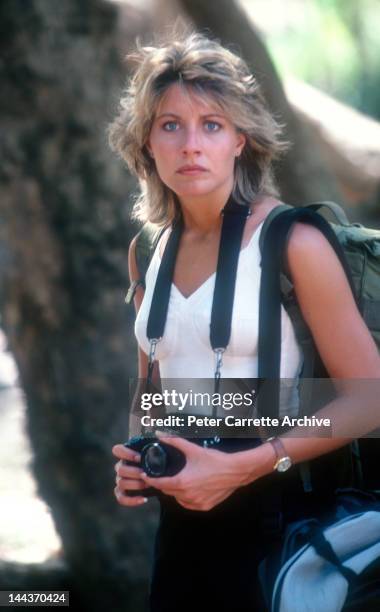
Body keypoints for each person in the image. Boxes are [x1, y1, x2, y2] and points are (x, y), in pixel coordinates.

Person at [109, 31, 380, 612]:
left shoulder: (293, 242)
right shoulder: (146, 250)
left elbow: (370, 398)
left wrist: (247, 465)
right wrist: (139, 458)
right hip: (180, 535)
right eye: (170, 125)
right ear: (146, 143)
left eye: (212, 124)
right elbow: (156, 394)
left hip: (286, 531)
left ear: (241, 139)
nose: (191, 145)